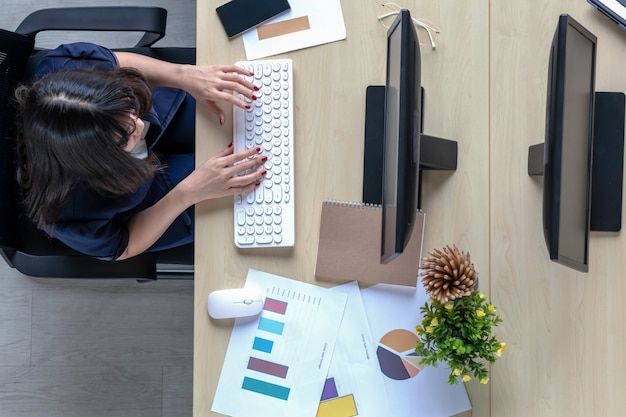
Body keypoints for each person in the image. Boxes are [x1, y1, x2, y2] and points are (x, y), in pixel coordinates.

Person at [14, 42, 267, 261]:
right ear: (99, 161)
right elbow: (122, 246)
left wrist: (182, 74)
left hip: (163, 111)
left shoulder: (65, 71)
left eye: (129, 109)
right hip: (149, 195)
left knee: (249, 113)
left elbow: (116, 62)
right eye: (125, 135)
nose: (139, 125)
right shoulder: (66, 209)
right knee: (254, 187)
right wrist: (187, 193)